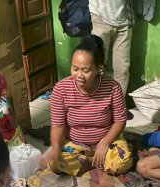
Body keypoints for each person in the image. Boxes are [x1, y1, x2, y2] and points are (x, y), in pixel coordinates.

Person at [41, 35, 133, 176]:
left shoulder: (112, 87)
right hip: (75, 143)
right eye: (75, 69)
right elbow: (58, 125)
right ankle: (92, 162)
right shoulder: (61, 89)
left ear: (98, 68)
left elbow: (120, 120)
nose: (79, 75)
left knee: (122, 161)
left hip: (105, 139)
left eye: (86, 70)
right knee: (54, 161)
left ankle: (88, 161)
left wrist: (105, 143)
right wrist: (55, 148)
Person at [88, 0, 133, 96]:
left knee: (122, 69)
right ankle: (97, 105)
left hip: (124, 20)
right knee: (97, 66)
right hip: (99, 17)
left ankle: (118, 105)